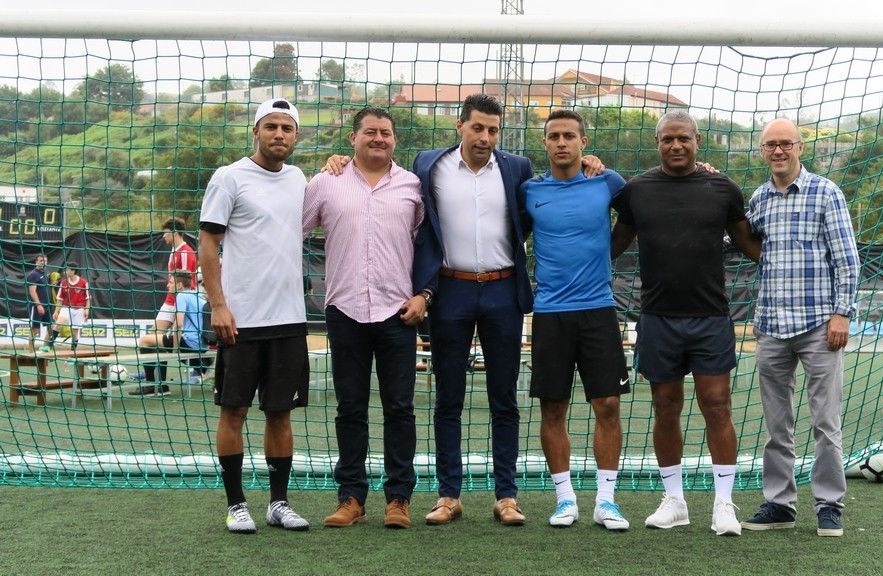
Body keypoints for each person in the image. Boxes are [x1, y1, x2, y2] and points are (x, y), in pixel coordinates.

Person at [322, 94, 605, 526]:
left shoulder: (517, 170)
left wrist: (593, 163)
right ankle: (448, 495)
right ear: (460, 126)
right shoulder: (427, 166)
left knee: (504, 399)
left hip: (503, 291)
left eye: (493, 130)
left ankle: (506, 495)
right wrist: (339, 161)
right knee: (448, 398)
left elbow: (535, 212)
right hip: (450, 293)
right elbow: (387, 184)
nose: (485, 137)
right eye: (478, 128)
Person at [610, 111, 761, 535]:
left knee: (718, 407)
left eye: (684, 139)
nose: (676, 146)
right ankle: (674, 500)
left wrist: (799, 263)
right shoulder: (636, 191)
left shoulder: (723, 188)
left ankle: (724, 505)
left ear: (698, 141)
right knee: (665, 409)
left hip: (711, 317)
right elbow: (612, 244)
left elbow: (752, 244)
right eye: (667, 139)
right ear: (656, 142)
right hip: (656, 318)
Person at [740, 118, 860, 538]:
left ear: (800, 148)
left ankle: (829, 505)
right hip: (771, 326)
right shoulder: (759, 199)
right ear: (762, 151)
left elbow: (847, 259)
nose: (778, 151)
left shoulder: (826, 192)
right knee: (777, 424)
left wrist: (842, 312)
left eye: (785, 144)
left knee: (826, 423)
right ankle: (779, 504)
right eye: (770, 145)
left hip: (818, 326)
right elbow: (736, 238)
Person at [309, 108, 426, 531]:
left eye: (386, 133)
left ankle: (399, 499)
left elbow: (426, 247)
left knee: (400, 408)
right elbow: (293, 234)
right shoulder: (326, 182)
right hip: (345, 311)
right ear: (353, 138)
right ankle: (352, 497)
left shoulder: (413, 185)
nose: (379, 139)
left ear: (394, 140)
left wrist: (424, 294)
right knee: (350, 408)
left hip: (398, 314)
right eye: (371, 132)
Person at [198, 98, 311, 534]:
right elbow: (207, 244)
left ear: (296, 136)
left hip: (288, 320)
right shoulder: (229, 177)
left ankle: (278, 503)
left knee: (280, 413)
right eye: (271, 126)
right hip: (240, 320)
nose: (279, 134)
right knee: (234, 411)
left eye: (286, 127)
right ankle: (236, 504)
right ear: (256, 131)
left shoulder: (300, 179)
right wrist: (219, 305)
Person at [521, 109, 631, 531]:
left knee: (607, 404)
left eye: (570, 135)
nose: (562, 142)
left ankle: (607, 501)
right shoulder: (529, 190)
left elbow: (637, 218)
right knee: (554, 407)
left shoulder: (608, 182)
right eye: (554, 136)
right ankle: (565, 499)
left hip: (599, 309)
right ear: (545, 143)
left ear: (584, 142)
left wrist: (608, 254)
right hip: (549, 313)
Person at [47, 261, 90, 352]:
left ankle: (72, 351)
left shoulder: (83, 282)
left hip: (79, 309)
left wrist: (86, 310)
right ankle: (49, 346)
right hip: (66, 308)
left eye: (67, 270)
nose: (64, 272)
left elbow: (87, 298)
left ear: (73, 271)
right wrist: (56, 311)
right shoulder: (63, 283)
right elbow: (60, 299)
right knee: (58, 324)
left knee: (75, 332)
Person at [25, 253, 55, 353]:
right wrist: (39, 305)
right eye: (41, 261)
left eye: (45, 261)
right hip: (37, 307)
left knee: (51, 330)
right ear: (36, 262)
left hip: (47, 306)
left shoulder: (46, 273)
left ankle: (45, 349)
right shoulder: (33, 274)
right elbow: (32, 291)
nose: (43, 263)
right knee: (35, 330)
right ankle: (31, 352)